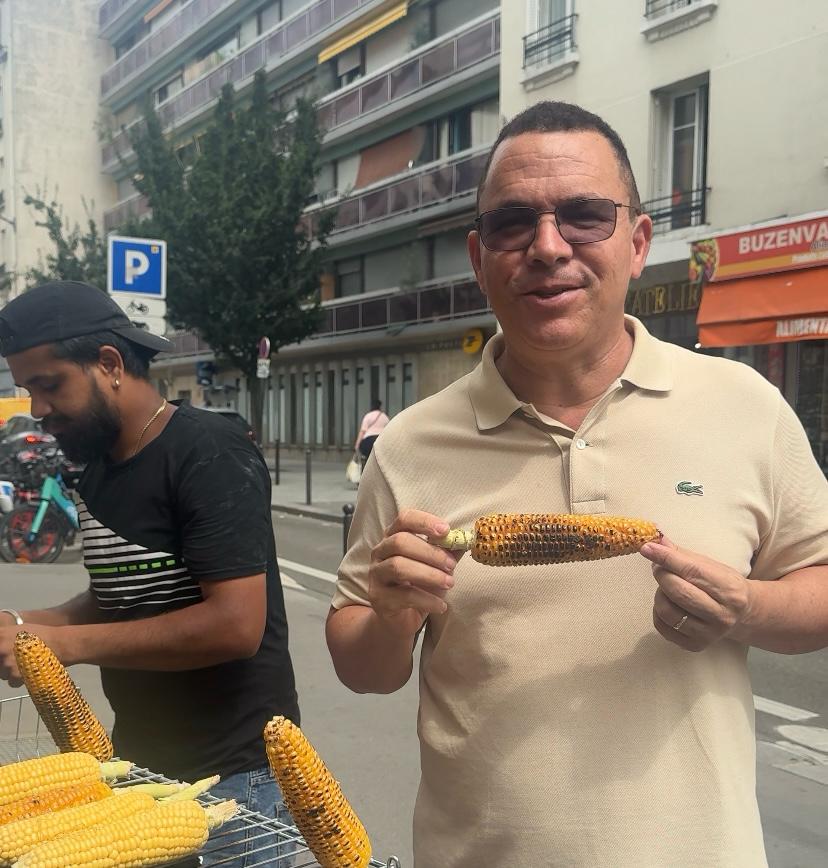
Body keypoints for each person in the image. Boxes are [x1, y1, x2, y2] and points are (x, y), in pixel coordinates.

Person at [326, 102, 828, 867]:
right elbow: (360, 663)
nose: (548, 246)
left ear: (638, 243)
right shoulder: (410, 445)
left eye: (585, 216)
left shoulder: (744, 408)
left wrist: (748, 607)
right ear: (478, 255)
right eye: (513, 222)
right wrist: (392, 618)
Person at [0, 281, 299, 866]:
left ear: (108, 363)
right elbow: (122, 590)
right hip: (138, 768)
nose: (37, 408)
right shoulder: (97, 466)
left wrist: (59, 644)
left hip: (236, 781)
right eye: (26, 389)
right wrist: (20, 622)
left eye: (49, 384)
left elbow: (236, 624)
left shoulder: (209, 452)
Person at [354, 398, 389, 462]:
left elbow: (362, 431)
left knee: (367, 455)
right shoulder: (385, 417)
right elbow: (388, 431)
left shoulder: (368, 416)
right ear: (380, 407)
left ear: (372, 406)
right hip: (381, 440)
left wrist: (357, 444)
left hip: (369, 441)